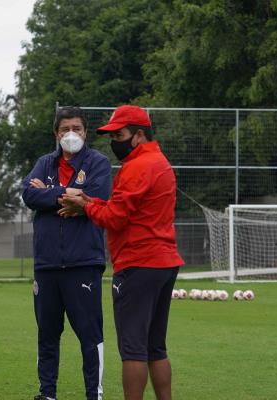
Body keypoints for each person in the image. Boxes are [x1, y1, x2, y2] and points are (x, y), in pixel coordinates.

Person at [60, 105, 184, 400]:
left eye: (120, 134)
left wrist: (84, 206)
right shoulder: (160, 162)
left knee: (133, 350)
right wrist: (91, 201)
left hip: (138, 263)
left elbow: (114, 219)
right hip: (165, 262)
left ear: (139, 135)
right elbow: (124, 211)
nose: (115, 141)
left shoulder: (137, 166)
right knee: (156, 347)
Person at [22, 106, 112, 400]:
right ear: (56, 134)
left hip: (83, 262)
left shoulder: (98, 163)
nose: (70, 134)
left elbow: (98, 199)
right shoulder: (44, 163)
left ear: (85, 132)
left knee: (89, 335)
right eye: (64, 130)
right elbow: (29, 195)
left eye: (76, 128)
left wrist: (51, 192)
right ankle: (47, 393)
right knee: (47, 335)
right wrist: (70, 194)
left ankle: (93, 394)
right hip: (47, 264)